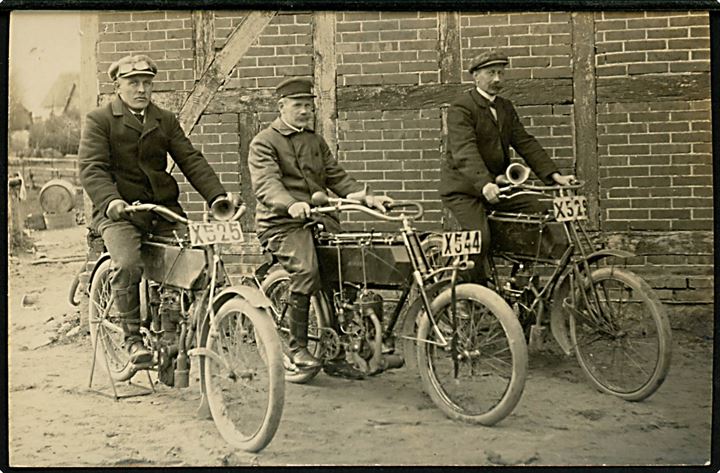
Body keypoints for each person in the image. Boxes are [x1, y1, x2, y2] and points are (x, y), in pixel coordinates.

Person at [79, 54, 237, 364]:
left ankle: (186, 328)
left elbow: (191, 159)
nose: (141, 89)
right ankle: (132, 339)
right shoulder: (100, 120)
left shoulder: (164, 119)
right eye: (133, 83)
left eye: (147, 83)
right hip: (119, 211)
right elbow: (91, 168)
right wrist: (112, 202)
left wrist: (217, 197)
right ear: (118, 85)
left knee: (198, 260)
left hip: (160, 208)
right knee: (126, 264)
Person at [248, 77, 391, 377]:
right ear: (281, 107)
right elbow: (266, 185)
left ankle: (337, 353)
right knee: (306, 271)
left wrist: (364, 197)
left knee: (347, 272)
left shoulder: (314, 140)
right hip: (282, 223)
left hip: (319, 219)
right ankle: (297, 346)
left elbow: (336, 177)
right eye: (297, 105)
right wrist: (290, 204)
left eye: (308, 106)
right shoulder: (265, 141)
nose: (304, 111)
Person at [439, 49, 575, 284]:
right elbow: (464, 151)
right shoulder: (461, 108)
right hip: (464, 190)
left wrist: (554, 176)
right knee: (479, 238)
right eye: (491, 73)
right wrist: (485, 184)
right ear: (476, 76)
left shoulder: (505, 107)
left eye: (501, 73)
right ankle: (465, 292)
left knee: (537, 212)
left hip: (497, 187)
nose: (497, 79)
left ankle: (521, 279)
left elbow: (525, 142)